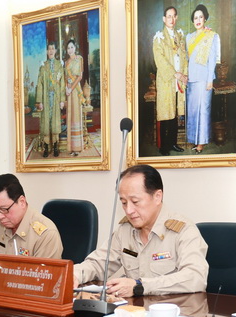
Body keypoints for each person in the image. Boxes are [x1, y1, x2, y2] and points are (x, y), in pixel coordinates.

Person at [73, 164, 208, 297]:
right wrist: (74, 275)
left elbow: (196, 277)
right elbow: (98, 264)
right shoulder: (125, 230)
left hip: (174, 308)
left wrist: (140, 286)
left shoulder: (183, 230)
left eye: (135, 201)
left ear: (157, 196)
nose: (129, 210)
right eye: (124, 203)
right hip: (134, 309)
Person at [0, 173, 63, 259]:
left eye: (4, 209)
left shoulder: (46, 234)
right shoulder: (2, 226)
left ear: (22, 202)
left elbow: (44, 268)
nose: (0, 216)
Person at [153, 6, 187, 156]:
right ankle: (164, 146)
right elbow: (160, 60)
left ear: (176, 18)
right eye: (168, 16)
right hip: (167, 81)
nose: (171, 19)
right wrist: (175, 74)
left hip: (178, 81)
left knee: (175, 114)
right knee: (166, 114)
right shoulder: (159, 37)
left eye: (174, 16)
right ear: (164, 19)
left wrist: (184, 75)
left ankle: (173, 142)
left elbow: (184, 57)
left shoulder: (180, 36)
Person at [185, 4, 220, 154]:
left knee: (203, 111)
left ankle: (202, 142)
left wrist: (210, 79)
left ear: (205, 18)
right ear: (193, 20)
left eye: (200, 17)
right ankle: (194, 139)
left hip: (205, 78)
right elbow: (186, 59)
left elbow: (212, 59)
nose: (198, 20)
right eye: (195, 18)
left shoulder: (212, 36)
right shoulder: (189, 37)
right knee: (193, 111)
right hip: (192, 79)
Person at [36, 41, 65, 158]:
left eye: (53, 48)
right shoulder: (43, 66)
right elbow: (39, 84)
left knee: (55, 123)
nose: (51, 51)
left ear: (56, 51)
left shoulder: (59, 66)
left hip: (56, 98)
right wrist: (40, 101)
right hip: (46, 98)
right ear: (47, 51)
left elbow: (62, 84)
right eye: (49, 49)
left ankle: (56, 146)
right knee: (46, 123)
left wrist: (62, 100)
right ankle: (46, 147)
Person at [64, 39, 85, 157]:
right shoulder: (66, 62)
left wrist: (71, 88)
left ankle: (77, 147)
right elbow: (66, 77)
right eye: (68, 48)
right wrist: (67, 88)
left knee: (76, 116)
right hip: (69, 92)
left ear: (75, 48)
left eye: (72, 47)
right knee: (70, 117)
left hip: (76, 91)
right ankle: (71, 147)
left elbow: (80, 76)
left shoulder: (79, 59)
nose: (70, 50)